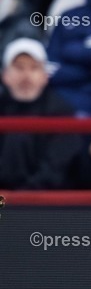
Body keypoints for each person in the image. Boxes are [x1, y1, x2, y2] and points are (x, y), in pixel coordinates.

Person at [0, 39, 82, 190]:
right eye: (19, 67)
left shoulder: (61, 111)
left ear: (45, 76)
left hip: (44, 205)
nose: (26, 76)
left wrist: (20, 199)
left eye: (34, 68)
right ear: (5, 75)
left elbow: (56, 167)